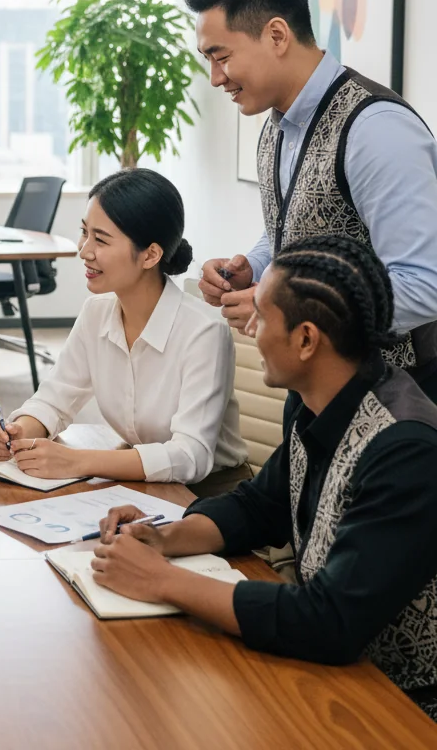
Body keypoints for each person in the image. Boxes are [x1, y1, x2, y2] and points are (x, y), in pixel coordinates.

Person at [92, 235, 437, 718]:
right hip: (336, 677)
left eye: (262, 315)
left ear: (306, 339)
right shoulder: (316, 400)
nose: (250, 328)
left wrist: (163, 581)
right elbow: (260, 505)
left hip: (401, 703)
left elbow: (332, 621)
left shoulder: (404, 450)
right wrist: (165, 538)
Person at [186, 0, 437, 400]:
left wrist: (285, 304)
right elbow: (298, 223)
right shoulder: (277, 124)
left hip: (395, 395)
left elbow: (425, 284)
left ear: (277, 35)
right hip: (316, 388)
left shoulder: (376, 129)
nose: (214, 78)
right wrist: (255, 267)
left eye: (220, 57)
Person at [0, 169, 249, 497]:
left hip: (209, 494)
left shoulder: (203, 332)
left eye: (101, 239)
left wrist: (78, 461)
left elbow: (189, 456)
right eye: (85, 233)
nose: (84, 250)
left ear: (150, 254)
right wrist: (17, 431)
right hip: (139, 482)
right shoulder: (96, 313)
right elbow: (54, 400)